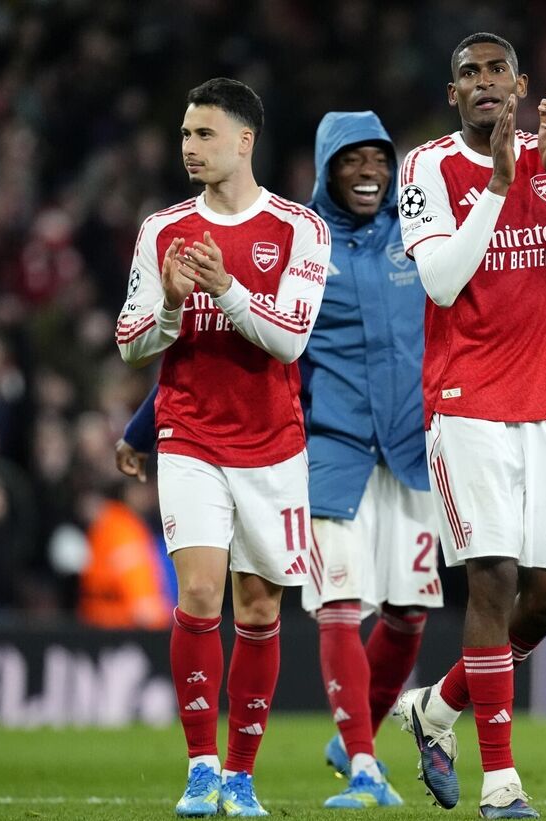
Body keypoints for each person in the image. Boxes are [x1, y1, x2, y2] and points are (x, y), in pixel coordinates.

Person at [117, 110, 441, 811]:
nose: (368, 172)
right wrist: (144, 428)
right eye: (350, 159)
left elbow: (442, 327)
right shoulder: (244, 232)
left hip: (401, 449)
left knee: (404, 612)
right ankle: (321, 762)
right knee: (258, 598)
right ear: (326, 166)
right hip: (326, 444)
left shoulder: (404, 242)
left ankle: (339, 737)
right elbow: (182, 346)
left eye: (379, 160)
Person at [391, 32, 546, 820]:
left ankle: (437, 707)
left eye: (497, 71)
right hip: (464, 403)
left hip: (543, 406)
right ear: (452, 92)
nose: (485, 84)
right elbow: (442, 282)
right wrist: (496, 184)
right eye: (469, 74)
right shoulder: (424, 168)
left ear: (519, 85)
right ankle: (502, 786)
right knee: (491, 579)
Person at [115, 77, 330, 818]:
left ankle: (242, 774)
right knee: (201, 592)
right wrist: (172, 303)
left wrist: (228, 288)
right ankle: (202, 767)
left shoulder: (299, 227)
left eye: (203, 134)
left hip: (273, 444)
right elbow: (128, 343)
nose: (188, 147)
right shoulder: (161, 228)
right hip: (190, 433)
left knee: (262, 606)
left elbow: (290, 337)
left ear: (245, 141)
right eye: (183, 134)